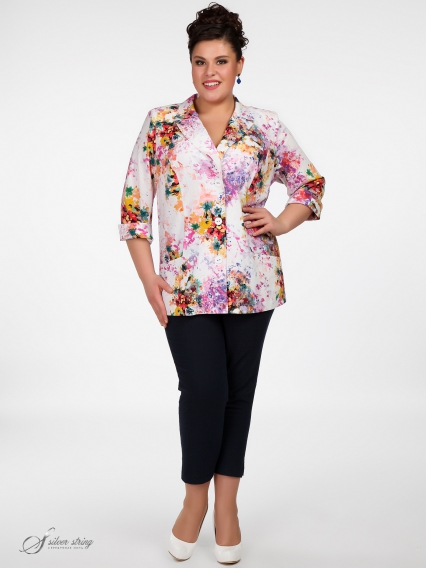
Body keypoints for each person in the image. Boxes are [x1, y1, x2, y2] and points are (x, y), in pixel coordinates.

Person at [118, 2, 325, 563]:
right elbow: (134, 210)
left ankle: (227, 506)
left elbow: (310, 184)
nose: (210, 72)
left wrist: (281, 221)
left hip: (253, 283)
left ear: (239, 65)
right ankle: (195, 502)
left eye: (221, 60)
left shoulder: (264, 126)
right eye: (200, 61)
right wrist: (149, 281)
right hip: (183, 286)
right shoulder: (162, 124)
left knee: (237, 394)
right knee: (203, 391)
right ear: (190, 64)